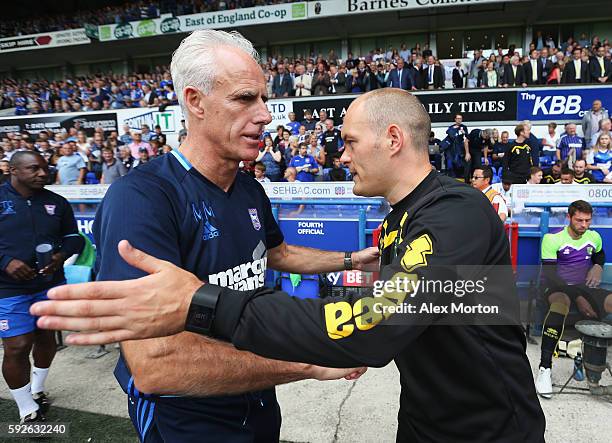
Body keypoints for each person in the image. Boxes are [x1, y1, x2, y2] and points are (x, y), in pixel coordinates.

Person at [32, 89, 546, 443]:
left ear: (393, 139)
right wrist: (351, 269)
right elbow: (428, 305)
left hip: (489, 427)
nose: (341, 155)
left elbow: (374, 325)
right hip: (429, 417)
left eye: (348, 141)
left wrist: (202, 302)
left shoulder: (456, 211)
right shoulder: (404, 216)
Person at [33, 30, 373, 443]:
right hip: (187, 414)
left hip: (257, 394)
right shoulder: (143, 198)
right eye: (246, 98)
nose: (265, 114)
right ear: (195, 101)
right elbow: (156, 365)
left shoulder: (249, 188)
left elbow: (276, 253)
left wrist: (354, 259)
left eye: (264, 99)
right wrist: (306, 364)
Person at [0, 152, 83, 423]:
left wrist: (61, 255)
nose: (42, 173)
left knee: (46, 339)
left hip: (49, 283)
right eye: (33, 168)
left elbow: (74, 237)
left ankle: (37, 390)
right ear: (13, 169)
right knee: (17, 346)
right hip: (8, 288)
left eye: (45, 168)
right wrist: (5, 261)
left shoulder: (56, 202)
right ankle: (27, 410)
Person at [535, 200, 610, 399]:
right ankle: (544, 368)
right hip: (557, 287)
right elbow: (551, 274)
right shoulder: (553, 239)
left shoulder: (594, 237)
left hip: (583, 288)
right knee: (560, 305)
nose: (584, 225)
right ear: (569, 217)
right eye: (579, 220)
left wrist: (598, 266)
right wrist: (578, 297)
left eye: (587, 220)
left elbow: (600, 254)